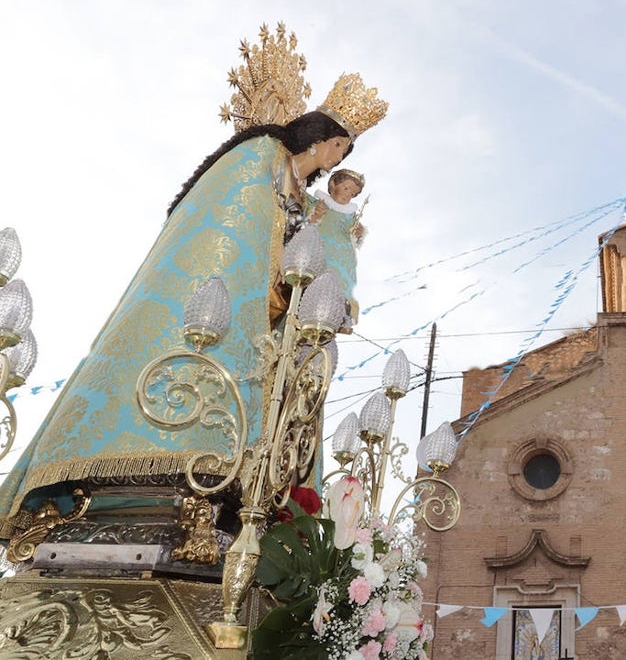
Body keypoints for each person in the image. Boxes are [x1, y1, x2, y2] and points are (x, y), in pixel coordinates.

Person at [0, 36, 386, 543]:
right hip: (223, 316)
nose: (337, 161)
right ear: (320, 137)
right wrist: (276, 279)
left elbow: (320, 256)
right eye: (339, 147)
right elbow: (232, 237)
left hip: (271, 331)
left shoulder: (308, 199)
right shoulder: (258, 159)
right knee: (197, 390)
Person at [309, 168, 367, 326]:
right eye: (346, 188)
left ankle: (339, 311)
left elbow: (356, 238)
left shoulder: (350, 215)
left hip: (343, 260)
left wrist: (359, 233)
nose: (348, 195)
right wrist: (315, 216)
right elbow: (302, 223)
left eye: (353, 194)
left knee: (341, 286)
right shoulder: (318, 203)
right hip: (321, 253)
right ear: (333, 184)